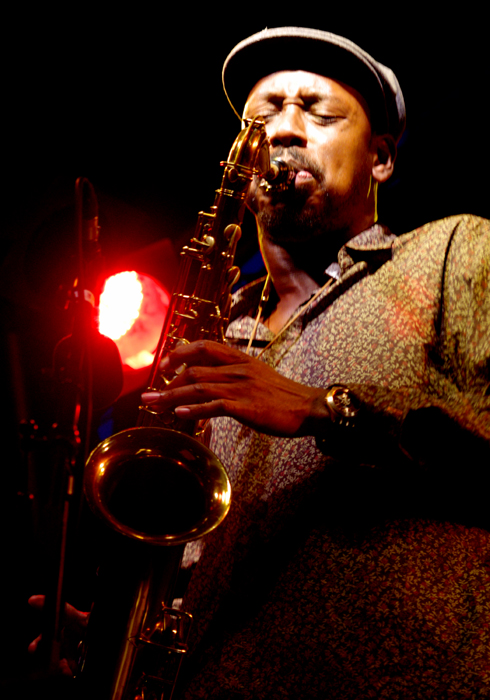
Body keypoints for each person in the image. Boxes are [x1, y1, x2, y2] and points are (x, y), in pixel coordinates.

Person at [139, 26, 490, 699]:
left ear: (382, 158)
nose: (285, 129)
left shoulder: (456, 252)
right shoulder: (220, 330)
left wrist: (322, 408)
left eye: (318, 110)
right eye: (262, 115)